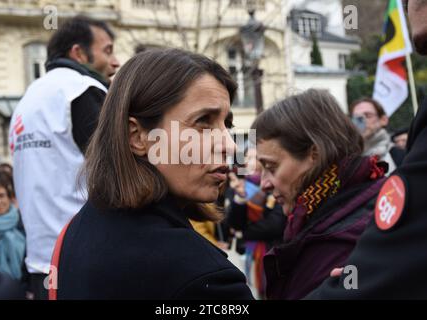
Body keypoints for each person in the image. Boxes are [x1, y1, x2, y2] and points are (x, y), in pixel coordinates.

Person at [51, 48, 253, 300]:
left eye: (227, 125)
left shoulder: (75, 232)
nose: (230, 146)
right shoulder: (204, 277)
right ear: (136, 136)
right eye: (203, 121)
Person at [305, 0, 427, 299]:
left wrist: (364, 271)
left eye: (367, 117)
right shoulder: (343, 168)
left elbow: (403, 243)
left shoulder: (401, 157)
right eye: (356, 117)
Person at [8, 15, 119, 299]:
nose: (116, 62)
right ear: (78, 52)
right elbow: (119, 173)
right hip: (87, 259)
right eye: (108, 51)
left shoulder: (28, 99)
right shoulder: (80, 88)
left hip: (42, 263)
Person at [251, 89, 387, 300]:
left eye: (271, 166)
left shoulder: (355, 232)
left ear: (315, 154)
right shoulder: (319, 215)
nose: (264, 184)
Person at [225, 148, 286, 299]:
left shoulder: (273, 184)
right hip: (248, 251)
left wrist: (243, 233)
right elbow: (234, 223)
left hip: (271, 250)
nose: (247, 161)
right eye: (246, 157)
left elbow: (275, 224)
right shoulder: (239, 186)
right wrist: (241, 197)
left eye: (252, 157)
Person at [350, 98, 405, 170]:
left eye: (368, 115)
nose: (361, 121)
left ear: (383, 120)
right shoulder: (346, 159)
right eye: (356, 118)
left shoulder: (401, 157)